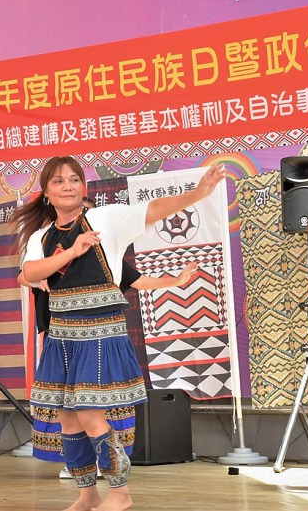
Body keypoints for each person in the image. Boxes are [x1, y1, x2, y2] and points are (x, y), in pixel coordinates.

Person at [13, 156, 225, 511]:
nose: (68, 186)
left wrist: (197, 194)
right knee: (67, 417)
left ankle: (120, 491)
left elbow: (152, 209)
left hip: (100, 331)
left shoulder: (104, 219)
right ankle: (87, 494)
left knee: (89, 413)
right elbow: (31, 273)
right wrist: (72, 252)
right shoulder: (41, 237)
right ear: (46, 192)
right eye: (59, 181)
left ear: (84, 187)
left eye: (74, 179)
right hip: (61, 336)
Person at [20, 196, 200, 479]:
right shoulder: (47, 242)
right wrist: (43, 274)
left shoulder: (104, 254)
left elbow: (136, 279)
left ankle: (108, 465)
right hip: (59, 331)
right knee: (68, 406)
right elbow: (25, 274)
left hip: (96, 332)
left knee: (90, 402)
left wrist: (175, 281)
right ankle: (81, 466)